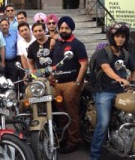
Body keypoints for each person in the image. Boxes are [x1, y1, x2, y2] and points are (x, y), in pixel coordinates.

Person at [90, 23, 135, 160]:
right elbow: (106, 68)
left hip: (121, 91)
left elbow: (134, 68)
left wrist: (131, 81)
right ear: (112, 37)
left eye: (123, 36)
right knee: (103, 123)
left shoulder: (125, 54)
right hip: (104, 91)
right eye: (117, 36)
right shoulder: (103, 52)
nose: (120, 39)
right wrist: (119, 78)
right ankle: (95, 155)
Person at [52, 16, 88, 154]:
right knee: (61, 113)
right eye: (61, 27)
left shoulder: (77, 44)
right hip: (57, 84)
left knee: (72, 114)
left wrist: (77, 83)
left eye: (66, 28)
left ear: (71, 29)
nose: (64, 30)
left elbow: (84, 64)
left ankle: (73, 141)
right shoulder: (57, 43)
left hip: (71, 84)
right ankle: (64, 138)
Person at [0, 18, 19, 87]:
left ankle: (13, 95)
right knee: (3, 81)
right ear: (0, 27)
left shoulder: (15, 34)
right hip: (1, 62)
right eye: (2, 25)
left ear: (9, 26)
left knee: (13, 80)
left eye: (6, 25)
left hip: (13, 62)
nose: (4, 27)